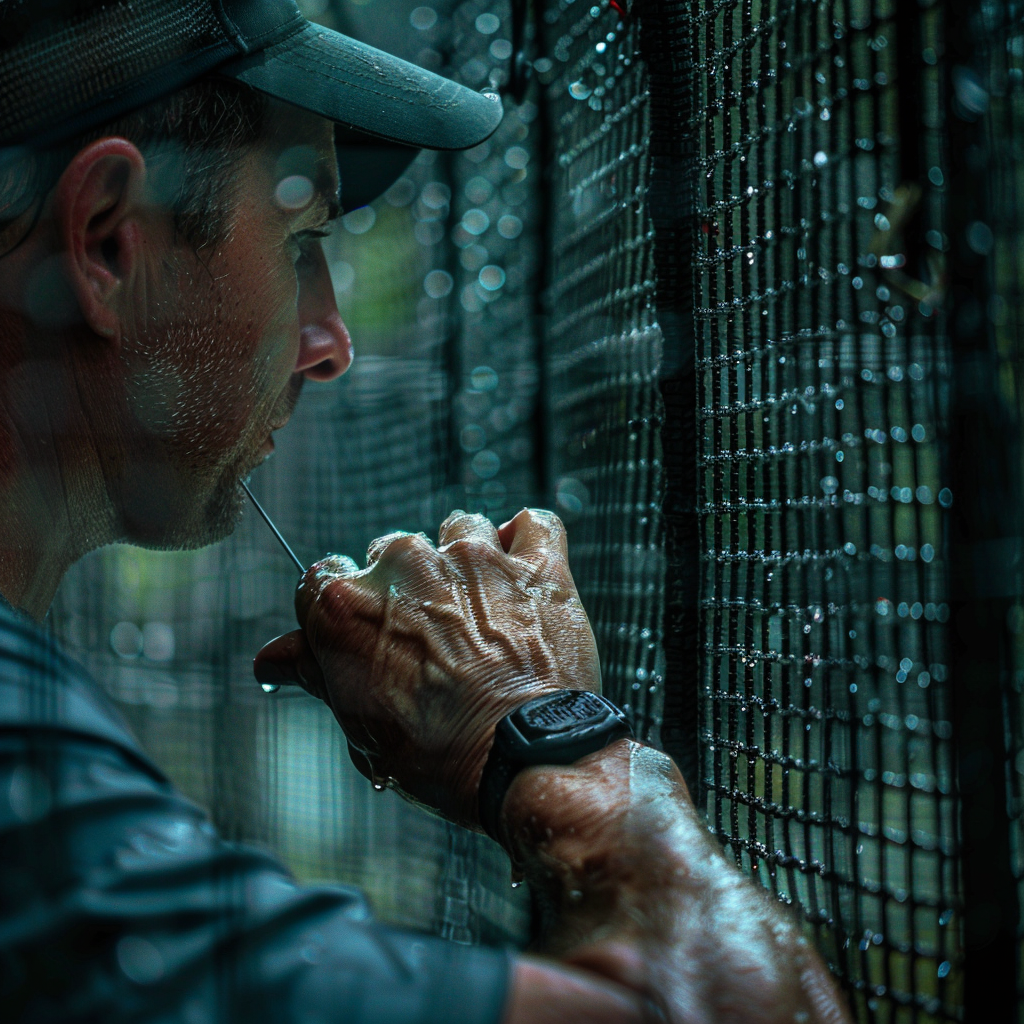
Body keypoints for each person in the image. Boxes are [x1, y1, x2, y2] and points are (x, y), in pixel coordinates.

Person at [0, 1, 852, 1021]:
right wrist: (547, 735)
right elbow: (734, 1007)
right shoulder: (30, 799)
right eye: (302, 234)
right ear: (103, 241)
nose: (329, 341)